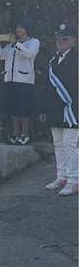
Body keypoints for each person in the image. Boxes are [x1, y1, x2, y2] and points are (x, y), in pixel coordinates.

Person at [40, 23, 78, 196]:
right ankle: (61, 176)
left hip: (72, 109)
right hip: (55, 109)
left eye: (65, 38)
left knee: (71, 146)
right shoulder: (53, 61)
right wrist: (43, 108)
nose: (61, 42)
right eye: (58, 38)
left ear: (73, 40)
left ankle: (74, 180)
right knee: (58, 145)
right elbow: (47, 87)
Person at [0, 21, 40, 145]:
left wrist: (16, 44)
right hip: (10, 80)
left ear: (27, 29)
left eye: (21, 27)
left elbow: (29, 54)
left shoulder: (33, 42)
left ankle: (25, 135)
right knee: (13, 110)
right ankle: (15, 134)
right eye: (17, 27)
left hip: (25, 81)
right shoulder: (11, 45)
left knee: (24, 110)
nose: (18, 29)